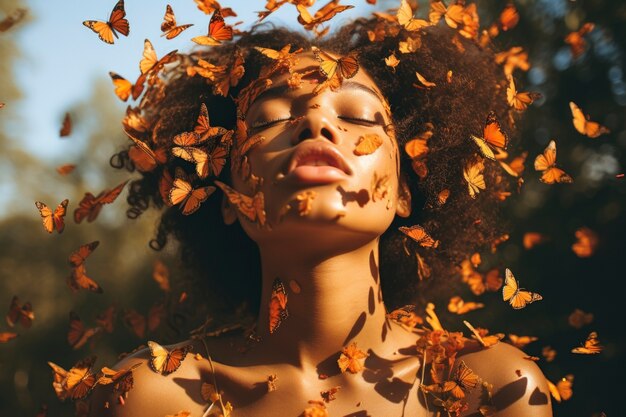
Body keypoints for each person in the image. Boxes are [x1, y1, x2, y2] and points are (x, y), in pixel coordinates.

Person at [90, 12, 552, 417]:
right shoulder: (151, 394)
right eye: (270, 119)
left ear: (406, 190)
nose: (316, 122)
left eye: (360, 116)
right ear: (228, 194)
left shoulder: (493, 390)